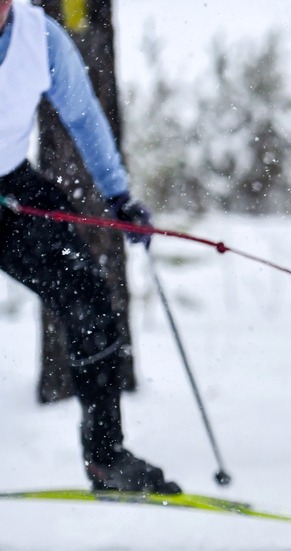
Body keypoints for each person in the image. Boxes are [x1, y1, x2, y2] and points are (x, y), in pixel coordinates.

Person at [0, 0, 179, 493]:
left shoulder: (42, 38)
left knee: (89, 296)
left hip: (11, 189)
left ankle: (106, 458)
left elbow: (84, 117)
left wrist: (119, 196)